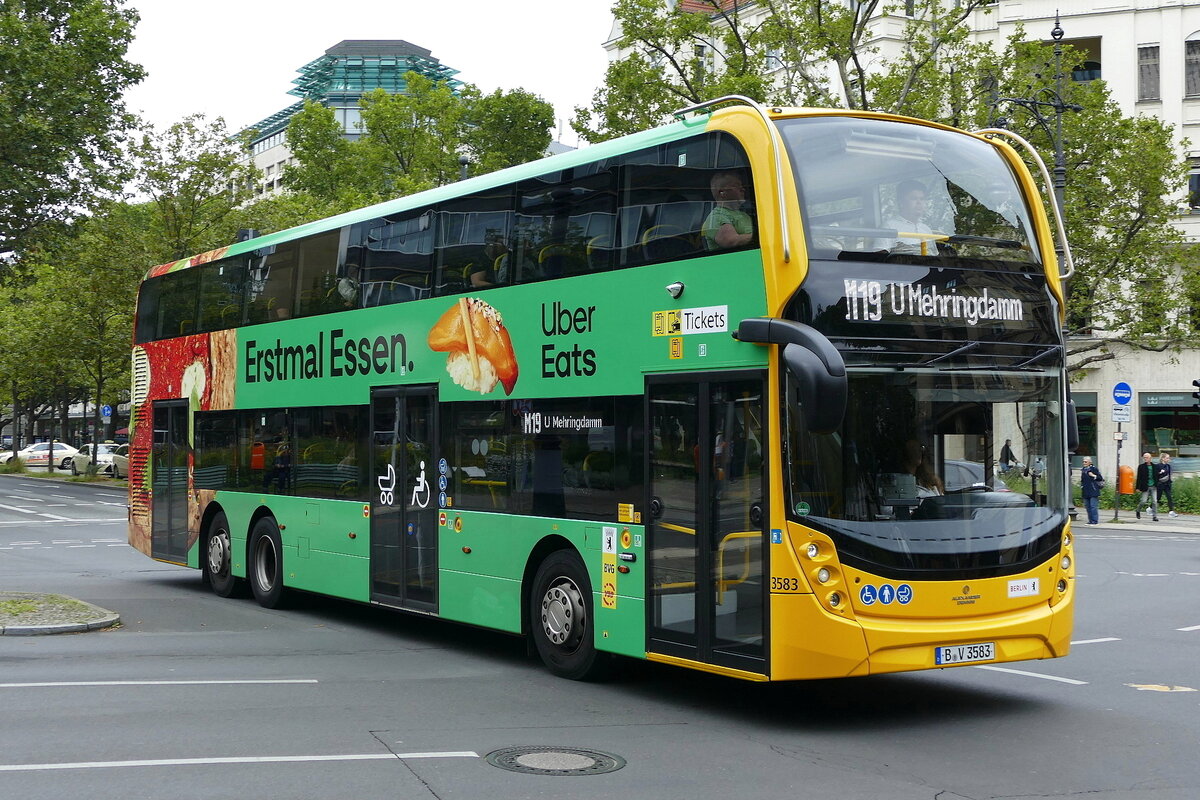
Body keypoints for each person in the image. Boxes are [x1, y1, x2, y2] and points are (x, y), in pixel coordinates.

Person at [877, 180, 935, 254]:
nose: (919, 202)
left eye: (922, 199)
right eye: (914, 198)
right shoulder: (889, 227)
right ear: (901, 202)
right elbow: (880, 258)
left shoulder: (926, 229)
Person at [702, 172, 754, 250]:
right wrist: (760, 236)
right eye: (736, 186)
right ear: (722, 193)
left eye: (741, 186)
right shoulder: (716, 217)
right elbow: (731, 241)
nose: (742, 189)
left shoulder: (744, 215)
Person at [1134, 451, 1159, 521]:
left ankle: (1155, 516)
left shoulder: (1155, 466)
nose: (1145, 459)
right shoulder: (1141, 467)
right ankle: (1138, 510)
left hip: (1153, 486)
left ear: (1150, 458)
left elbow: (1157, 476)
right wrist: (1137, 487)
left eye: (1147, 457)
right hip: (1145, 486)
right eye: (1144, 457)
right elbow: (1139, 478)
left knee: (1154, 501)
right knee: (1143, 501)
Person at [1080, 457, 1104, 525]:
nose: (1084, 463)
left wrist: (1093, 475)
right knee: (1087, 507)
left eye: (1085, 462)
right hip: (1085, 491)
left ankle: (1094, 521)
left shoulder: (1093, 469)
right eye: (1083, 462)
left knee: (1093, 506)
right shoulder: (1083, 470)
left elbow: (1100, 478)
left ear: (1090, 462)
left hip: (1093, 490)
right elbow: (1082, 480)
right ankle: (1090, 520)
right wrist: (1082, 486)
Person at [1155, 452, 1177, 517]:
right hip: (1160, 484)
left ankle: (1171, 511)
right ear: (1163, 459)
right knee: (1158, 498)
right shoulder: (1158, 466)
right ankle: (1150, 508)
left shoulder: (1168, 466)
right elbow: (1155, 475)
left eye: (1168, 458)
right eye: (1167, 458)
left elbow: (1169, 475)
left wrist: (1170, 482)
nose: (1168, 459)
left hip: (1167, 484)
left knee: (1169, 497)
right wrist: (1160, 473)